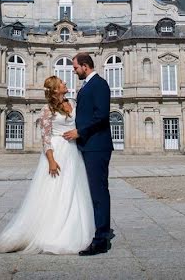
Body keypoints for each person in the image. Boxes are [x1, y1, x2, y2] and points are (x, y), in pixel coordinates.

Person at [0, 76, 95, 254]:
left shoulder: (73, 103)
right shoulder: (46, 110)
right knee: (55, 192)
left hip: (73, 152)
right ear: (55, 90)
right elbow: (45, 138)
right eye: (62, 83)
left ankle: (74, 229)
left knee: (73, 191)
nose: (66, 84)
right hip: (57, 151)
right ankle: (52, 231)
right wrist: (51, 161)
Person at [62, 52, 114, 256]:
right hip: (88, 145)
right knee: (92, 192)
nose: (74, 72)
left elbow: (101, 116)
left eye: (75, 68)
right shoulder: (87, 86)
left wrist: (79, 131)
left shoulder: (99, 85)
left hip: (96, 146)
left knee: (99, 192)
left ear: (85, 66)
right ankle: (95, 230)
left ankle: (101, 239)